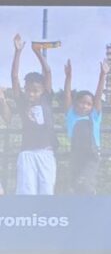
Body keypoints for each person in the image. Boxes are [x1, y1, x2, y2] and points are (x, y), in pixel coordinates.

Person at [11, 34, 58, 195]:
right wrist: (18, 52)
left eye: (35, 91)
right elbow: (14, 77)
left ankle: (44, 219)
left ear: (43, 90)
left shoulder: (46, 100)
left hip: (46, 153)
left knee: (47, 192)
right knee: (26, 192)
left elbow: (48, 71)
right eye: (28, 90)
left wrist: (37, 52)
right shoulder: (22, 102)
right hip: (27, 153)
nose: (31, 94)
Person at [63, 59, 108, 195]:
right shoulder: (71, 116)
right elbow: (67, 95)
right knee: (75, 184)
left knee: (86, 181)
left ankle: (92, 200)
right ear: (75, 103)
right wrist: (68, 77)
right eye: (82, 103)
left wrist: (103, 75)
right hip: (76, 154)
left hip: (92, 154)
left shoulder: (94, 117)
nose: (85, 106)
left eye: (88, 104)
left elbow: (98, 96)